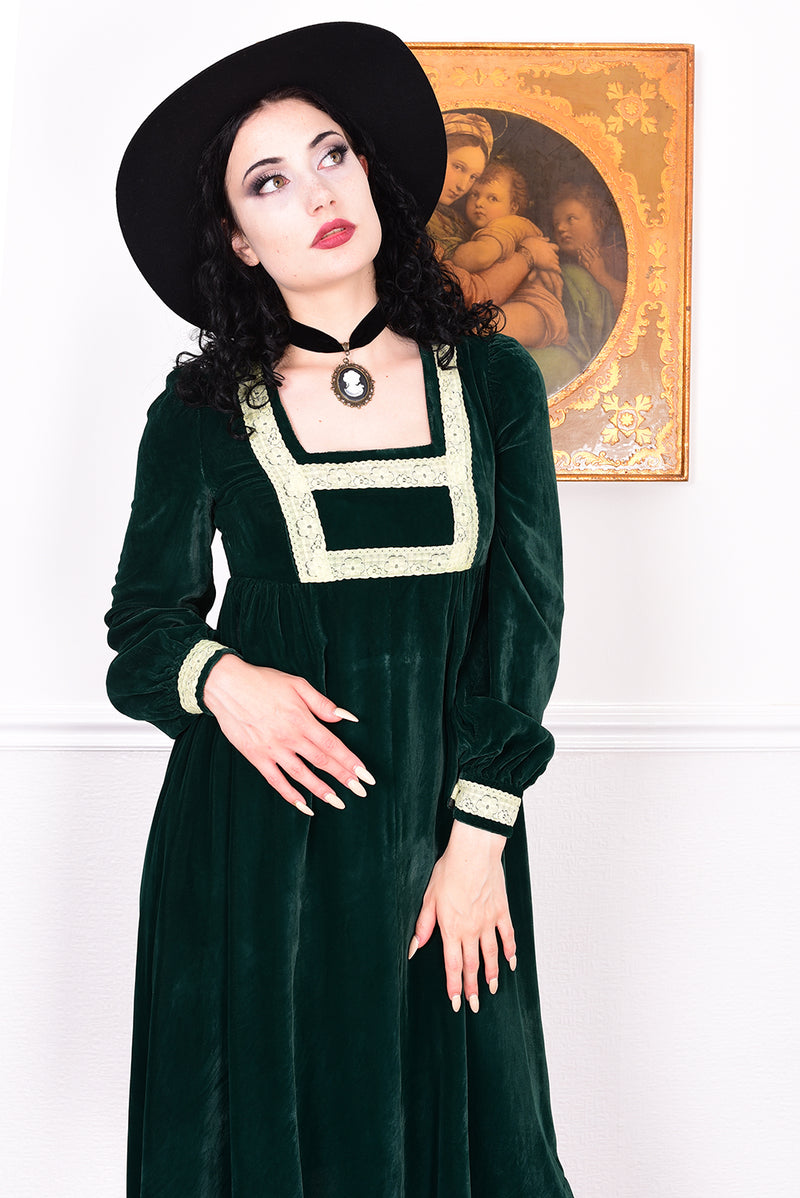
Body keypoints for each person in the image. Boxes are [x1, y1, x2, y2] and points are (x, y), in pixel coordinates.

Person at [108, 21, 573, 1198]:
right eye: (269, 180)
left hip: (444, 847)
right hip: (248, 864)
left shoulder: (496, 386)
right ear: (238, 240)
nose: (315, 192)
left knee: (476, 1135)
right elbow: (142, 631)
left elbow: (522, 625)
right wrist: (225, 679)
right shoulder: (201, 414)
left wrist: (476, 843)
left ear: (370, 173)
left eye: (329, 155)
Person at [427, 111, 567, 351]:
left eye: (472, 176)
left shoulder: (477, 222)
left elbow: (476, 262)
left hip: (534, 305)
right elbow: (465, 294)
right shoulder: (417, 220)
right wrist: (528, 256)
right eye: (458, 167)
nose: (463, 185)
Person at [451, 160, 568, 348]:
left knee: (479, 334)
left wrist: (453, 257)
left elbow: (478, 256)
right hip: (513, 304)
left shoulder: (508, 225)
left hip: (534, 307)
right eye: (475, 194)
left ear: (513, 207)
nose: (479, 203)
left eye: (492, 199)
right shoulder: (489, 228)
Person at [532, 181, 626, 395]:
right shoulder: (563, 266)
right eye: (556, 224)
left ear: (599, 222)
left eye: (570, 219)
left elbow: (634, 305)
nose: (561, 228)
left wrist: (601, 275)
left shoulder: (616, 258)